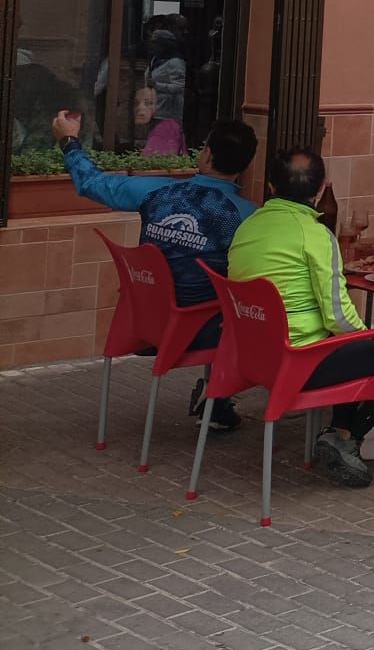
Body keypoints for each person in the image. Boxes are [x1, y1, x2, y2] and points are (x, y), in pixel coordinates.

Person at [228, 150, 374, 487]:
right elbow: (338, 314)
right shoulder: (316, 235)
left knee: (355, 351)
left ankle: (340, 431)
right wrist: (372, 341)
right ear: (321, 188)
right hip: (300, 362)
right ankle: (348, 437)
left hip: (252, 356)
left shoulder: (247, 226)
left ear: (271, 186)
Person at [56, 110, 259, 432]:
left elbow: (91, 183)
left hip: (141, 322)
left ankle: (217, 400)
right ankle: (219, 398)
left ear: (206, 154)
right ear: (245, 167)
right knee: (252, 310)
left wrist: (68, 140)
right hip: (195, 330)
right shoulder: (249, 218)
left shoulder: (155, 192)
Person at [131, 85, 187, 157]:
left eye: (148, 103)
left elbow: (151, 163)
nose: (140, 107)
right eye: (135, 103)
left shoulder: (166, 127)